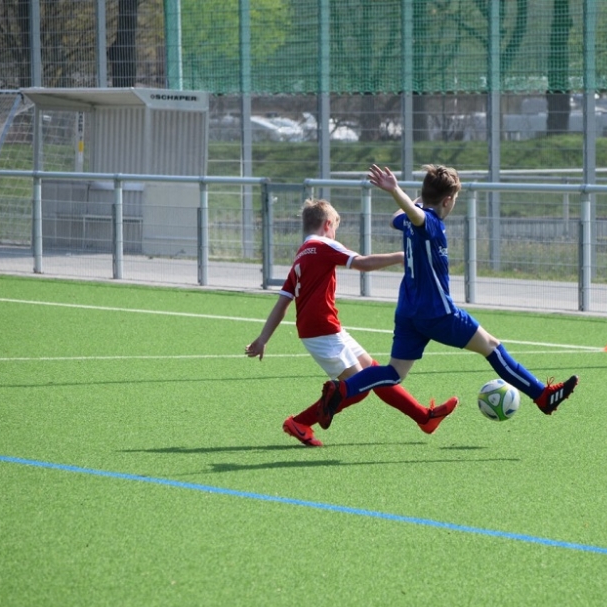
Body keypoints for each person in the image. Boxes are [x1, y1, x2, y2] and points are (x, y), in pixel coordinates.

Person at [316, 164, 578, 429]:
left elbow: (397, 217)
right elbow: (415, 214)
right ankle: (542, 396)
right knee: (492, 347)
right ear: (448, 200)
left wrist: (418, 196)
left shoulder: (411, 220)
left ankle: (342, 390)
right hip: (437, 312)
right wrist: (395, 190)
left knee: (394, 373)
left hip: (408, 311)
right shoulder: (430, 223)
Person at [246, 198, 458, 447]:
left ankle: (425, 418)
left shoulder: (302, 254)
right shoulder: (324, 245)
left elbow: (283, 302)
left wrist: (263, 339)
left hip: (325, 328)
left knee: (373, 372)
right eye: (335, 226)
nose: (335, 232)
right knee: (360, 387)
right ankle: (299, 422)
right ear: (327, 224)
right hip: (321, 331)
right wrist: (402, 256)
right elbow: (362, 264)